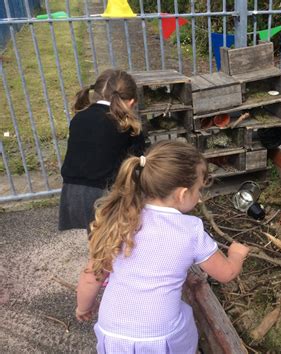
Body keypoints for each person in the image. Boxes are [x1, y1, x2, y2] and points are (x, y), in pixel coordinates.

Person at [75, 140, 250, 353]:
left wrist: (84, 307)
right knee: (185, 319)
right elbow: (226, 273)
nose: (200, 196)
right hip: (161, 337)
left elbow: (90, 276)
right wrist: (236, 255)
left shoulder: (119, 220)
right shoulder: (190, 229)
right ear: (182, 194)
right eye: (198, 190)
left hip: (113, 332)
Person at [59, 69, 145, 232]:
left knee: (97, 234)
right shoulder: (126, 125)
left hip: (72, 191)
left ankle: (97, 255)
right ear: (131, 102)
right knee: (115, 237)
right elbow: (138, 160)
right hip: (104, 192)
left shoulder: (79, 116)